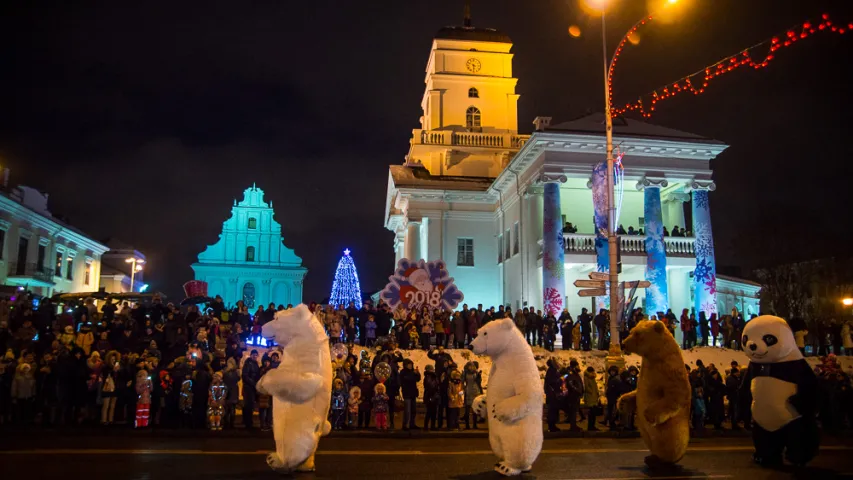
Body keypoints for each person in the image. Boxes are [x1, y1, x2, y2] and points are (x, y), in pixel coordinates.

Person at [241, 349, 260, 430]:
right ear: (251, 355)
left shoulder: (255, 364)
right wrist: (253, 383)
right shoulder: (248, 363)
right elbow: (245, 376)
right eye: (254, 355)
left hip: (252, 387)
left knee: (250, 405)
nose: (255, 356)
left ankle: (248, 421)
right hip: (248, 387)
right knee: (248, 405)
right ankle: (248, 422)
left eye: (256, 355)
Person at [399, 359, 421, 430]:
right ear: (405, 365)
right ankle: (405, 425)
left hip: (413, 393)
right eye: (409, 364)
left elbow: (417, 379)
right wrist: (413, 374)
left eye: (411, 364)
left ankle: (412, 424)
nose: (410, 366)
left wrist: (417, 373)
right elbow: (407, 379)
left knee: (413, 410)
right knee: (407, 410)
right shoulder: (403, 372)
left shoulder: (412, 372)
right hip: (407, 393)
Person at [544, 358, 562, 432]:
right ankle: (551, 426)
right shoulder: (552, 371)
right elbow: (554, 381)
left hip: (552, 394)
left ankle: (553, 425)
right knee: (552, 410)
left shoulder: (551, 371)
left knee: (554, 410)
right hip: (552, 395)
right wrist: (560, 380)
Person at [462, 361, 481, 429]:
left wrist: (479, 376)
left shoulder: (476, 372)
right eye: (469, 366)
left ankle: (474, 425)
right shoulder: (465, 373)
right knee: (467, 408)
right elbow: (462, 381)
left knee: (474, 409)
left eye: (472, 366)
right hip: (468, 391)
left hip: (475, 391)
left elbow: (479, 382)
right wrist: (464, 388)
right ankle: (467, 425)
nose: (471, 367)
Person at [423, 365, 440, 431]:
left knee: (434, 412)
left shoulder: (434, 376)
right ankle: (426, 426)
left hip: (434, 396)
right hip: (430, 396)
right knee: (429, 412)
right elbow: (430, 386)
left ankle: (432, 426)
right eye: (431, 369)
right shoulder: (428, 377)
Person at [583, 366, 600, 431]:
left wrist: (596, 393)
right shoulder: (587, 377)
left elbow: (594, 386)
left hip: (593, 396)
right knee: (591, 413)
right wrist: (592, 392)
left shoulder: (592, 377)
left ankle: (592, 426)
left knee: (593, 413)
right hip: (590, 397)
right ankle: (590, 427)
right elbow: (587, 387)